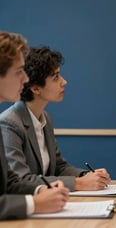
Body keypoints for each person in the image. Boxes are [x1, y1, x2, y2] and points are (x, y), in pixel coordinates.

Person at [0, 46, 111, 192]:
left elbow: (59, 167)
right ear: (35, 88)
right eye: (55, 77)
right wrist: (78, 183)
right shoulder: (9, 123)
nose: (64, 82)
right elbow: (20, 180)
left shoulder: (45, 118)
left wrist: (87, 176)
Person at [0, 31, 69, 219]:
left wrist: (41, 190)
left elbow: (11, 182)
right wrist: (35, 203)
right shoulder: (7, 121)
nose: (25, 79)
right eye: (18, 72)